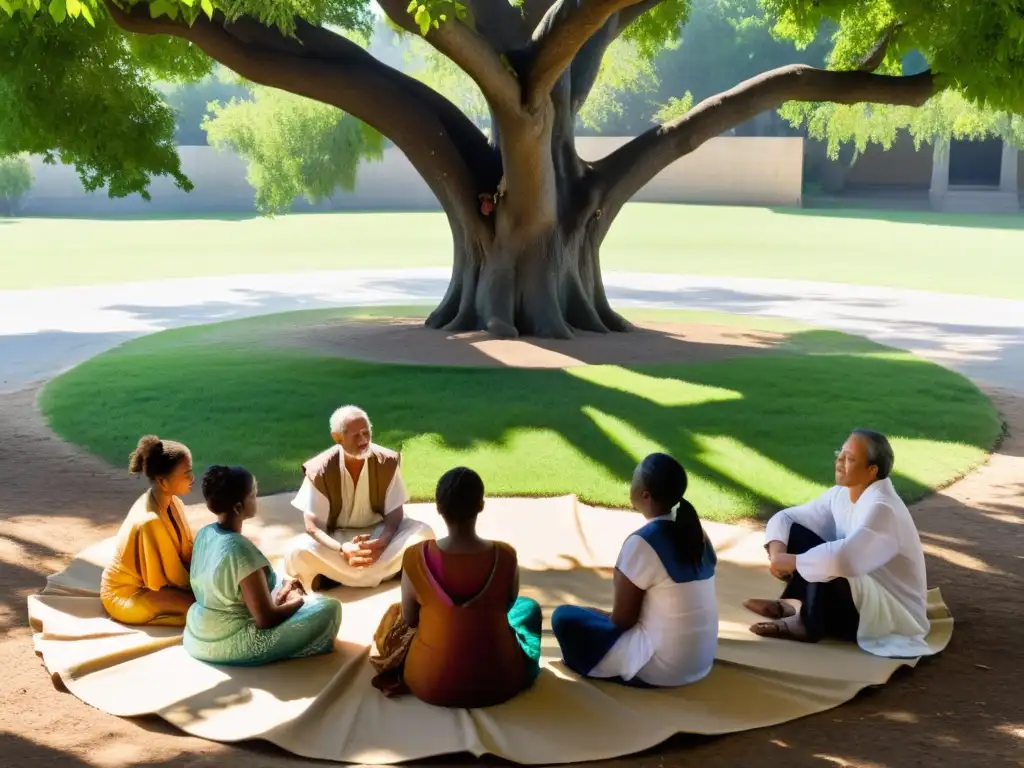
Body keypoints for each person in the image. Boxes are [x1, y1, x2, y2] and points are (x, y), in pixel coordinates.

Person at [744, 429, 932, 658]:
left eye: (850, 459)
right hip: (855, 597)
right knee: (798, 535)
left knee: (832, 559)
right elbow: (786, 518)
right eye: (840, 455)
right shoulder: (841, 494)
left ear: (872, 470)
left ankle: (808, 623)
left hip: (887, 613)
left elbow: (845, 560)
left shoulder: (883, 508)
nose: (840, 463)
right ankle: (804, 607)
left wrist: (791, 561)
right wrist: (777, 556)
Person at [377, 467, 543, 708]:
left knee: (401, 614)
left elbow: (411, 619)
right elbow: (506, 606)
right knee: (528, 608)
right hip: (501, 682)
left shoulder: (415, 557)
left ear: (439, 509)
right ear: (481, 506)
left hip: (427, 682)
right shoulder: (505, 556)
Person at [551, 453, 718, 688]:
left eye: (634, 479)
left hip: (661, 670)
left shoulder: (644, 542)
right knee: (592, 614)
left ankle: (592, 665)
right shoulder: (697, 533)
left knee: (564, 617)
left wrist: (600, 613)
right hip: (700, 663)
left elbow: (622, 620)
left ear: (645, 494)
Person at [184, 465, 342, 666]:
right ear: (238, 508)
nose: (256, 498)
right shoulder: (238, 548)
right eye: (253, 495)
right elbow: (265, 619)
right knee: (329, 608)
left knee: (279, 577)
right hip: (229, 642)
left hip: (198, 633)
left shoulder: (205, 533)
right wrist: (298, 601)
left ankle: (285, 593)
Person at [283, 405, 434, 590]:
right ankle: (392, 571)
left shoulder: (386, 461)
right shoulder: (320, 470)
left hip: (379, 536)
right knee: (297, 551)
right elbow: (313, 527)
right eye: (356, 435)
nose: (363, 440)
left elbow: (395, 516)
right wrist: (342, 548)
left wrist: (382, 542)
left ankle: (334, 576)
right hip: (337, 542)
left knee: (423, 533)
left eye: (366, 432)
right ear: (338, 438)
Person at [100, 435, 196, 626]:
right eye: (186, 473)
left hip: (156, 587)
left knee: (217, 598)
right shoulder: (149, 521)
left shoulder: (173, 501)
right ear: (163, 482)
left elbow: (186, 550)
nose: (192, 478)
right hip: (128, 594)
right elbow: (174, 577)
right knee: (202, 610)